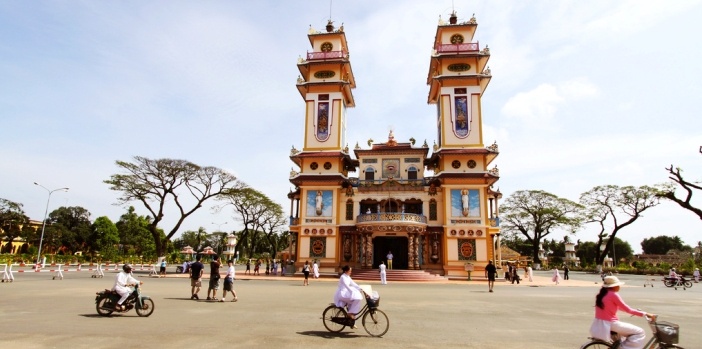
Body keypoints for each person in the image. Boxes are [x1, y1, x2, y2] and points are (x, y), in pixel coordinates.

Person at [589, 276, 655, 349]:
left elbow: (619, 307)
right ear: (614, 286)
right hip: (611, 323)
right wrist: (645, 314)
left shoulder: (602, 295)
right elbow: (627, 309)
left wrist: (637, 312)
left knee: (624, 337)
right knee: (640, 332)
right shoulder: (613, 294)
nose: (619, 287)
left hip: (601, 324)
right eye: (618, 285)